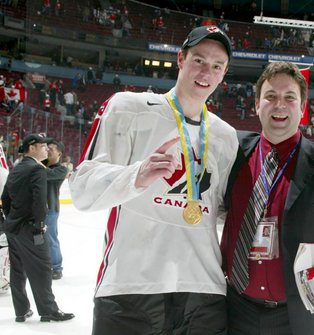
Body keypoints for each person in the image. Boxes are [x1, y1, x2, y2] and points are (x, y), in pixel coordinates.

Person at [69, 26, 237, 334]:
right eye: (199, 60)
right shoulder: (128, 107)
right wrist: (136, 174)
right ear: (181, 59)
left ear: (223, 74)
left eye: (217, 66)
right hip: (131, 287)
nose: (206, 72)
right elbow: (82, 189)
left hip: (204, 291)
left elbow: (219, 207)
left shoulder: (226, 136)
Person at [221, 62, 314, 335]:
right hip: (236, 310)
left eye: (289, 97)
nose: (280, 105)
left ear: (302, 108)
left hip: (302, 316)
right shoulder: (232, 152)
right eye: (270, 96)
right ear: (257, 104)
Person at [1, 134, 74, 322]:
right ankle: (48, 310)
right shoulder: (36, 169)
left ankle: (21, 310)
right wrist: (39, 224)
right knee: (42, 267)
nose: (46, 149)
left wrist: (11, 219)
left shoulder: (16, 168)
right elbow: (39, 200)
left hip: (13, 227)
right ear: (32, 147)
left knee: (17, 270)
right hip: (31, 227)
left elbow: (5, 198)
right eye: (43, 146)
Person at [43, 139, 68, 280]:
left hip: (50, 210)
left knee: (51, 238)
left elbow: (46, 175)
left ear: (59, 152)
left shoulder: (61, 170)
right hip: (37, 209)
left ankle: (57, 267)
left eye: (51, 148)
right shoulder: (41, 166)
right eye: (46, 148)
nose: (47, 150)